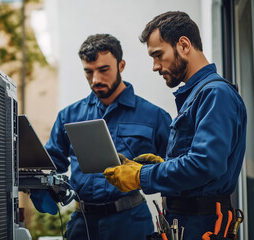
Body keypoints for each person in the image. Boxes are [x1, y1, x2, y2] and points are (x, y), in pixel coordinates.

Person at [104, 11, 247, 239]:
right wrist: (163, 164)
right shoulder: (197, 94)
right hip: (186, 225)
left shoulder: (215, 94)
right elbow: (198, 164)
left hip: (202, 227)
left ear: (183, 45)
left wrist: (142, 176)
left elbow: (205, 165)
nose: (155, 66)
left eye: (158, 55)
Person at [42, 33, 172, 240]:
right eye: (88, 72)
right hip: (82, 224)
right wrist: (40, 185)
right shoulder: (69, 116)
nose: (96, 79)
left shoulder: (155, 117)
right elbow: (52, 163)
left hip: (131, 223)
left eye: (103, 70)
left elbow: (175, 170)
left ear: (121, 66)